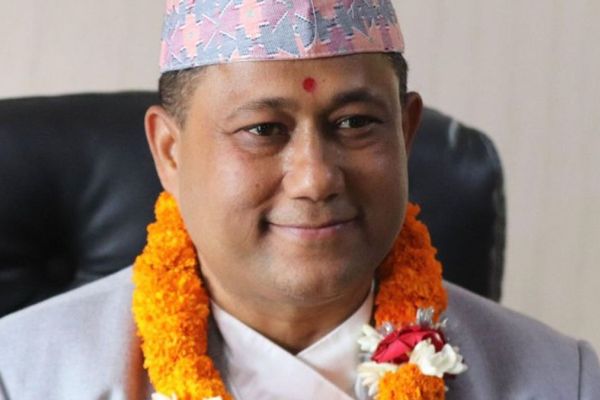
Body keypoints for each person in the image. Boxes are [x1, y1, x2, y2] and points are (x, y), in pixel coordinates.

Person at [0, 1, 599, 399]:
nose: (315, 179)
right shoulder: (21, 377)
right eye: (264, 130)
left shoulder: (559, 382)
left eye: (356, 122)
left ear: (406, 133)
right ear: (170, 152)